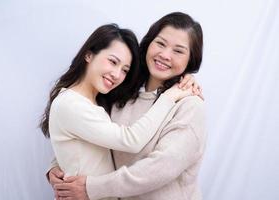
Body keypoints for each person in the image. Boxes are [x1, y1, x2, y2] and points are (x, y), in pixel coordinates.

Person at [49, 12, 206, 200]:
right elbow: (89, 138)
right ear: (148, 44)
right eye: (161, 43)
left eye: (178, 51)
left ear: (191, 60)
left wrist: (92, 188)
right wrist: (56, 168)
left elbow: (159, 168)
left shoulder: (189, 106)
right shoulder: (120, 96)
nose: (165, 55)